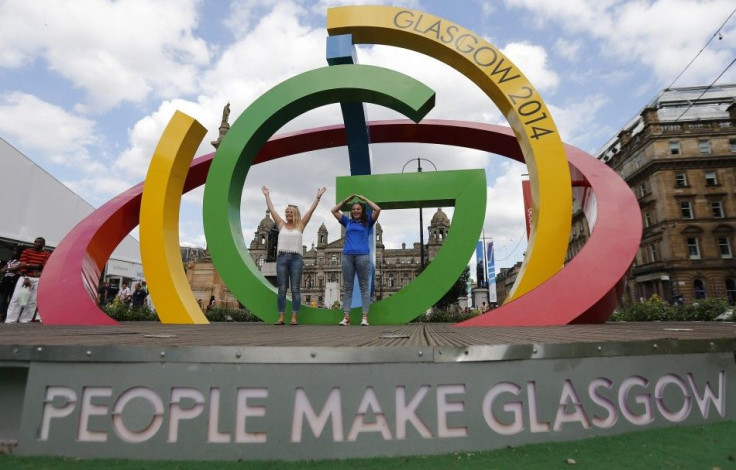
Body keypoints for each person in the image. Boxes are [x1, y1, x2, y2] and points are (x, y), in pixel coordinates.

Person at [262, 185, 326, 325]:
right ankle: (280, 318)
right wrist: (267, 195)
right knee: (282, 290)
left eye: (290, 212)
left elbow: (311, 210)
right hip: (282, 259)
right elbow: (272, 209)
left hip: (297, 259)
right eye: (286, 212)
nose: (288, 215)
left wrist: (318, 197)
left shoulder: (301, 225)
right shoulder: (280, 224)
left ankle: (294, 318)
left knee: (296, 289)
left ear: (295, 214)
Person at [331, 194, 381, 326]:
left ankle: (365, 317)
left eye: (358, 209)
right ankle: (346, 317)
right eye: (353, 209)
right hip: (347, 256)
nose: (355, 211)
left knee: (364, 287)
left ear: (362, 210)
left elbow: (378, 209)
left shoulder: (368, 222)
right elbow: (333, 211)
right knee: (347, 288)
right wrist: (345, 201)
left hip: (363, 256)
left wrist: (365, 199)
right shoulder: (347, 222)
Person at [5, 237, 51, 323]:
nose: (36, 244)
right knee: (17, 298)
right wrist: (26, 276)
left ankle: (25, 321)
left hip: (37, 279)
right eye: (35, 242)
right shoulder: (26, 252)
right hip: (25, 278)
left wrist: (28, 265)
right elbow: (22, 265)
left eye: (39, 242)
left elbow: (44, 266)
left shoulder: (46, 254)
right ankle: (10, 321)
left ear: (43, 244)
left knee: (32, 301)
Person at [0, 246, 23, 320]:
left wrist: (6, 270)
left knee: (11, 298)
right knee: (3, 298)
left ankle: (7, 314)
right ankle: (3, 313)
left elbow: (14, 269)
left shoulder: (20, 261)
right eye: (13, 251)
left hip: (13, 280)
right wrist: (7, 269)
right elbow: (2, 269)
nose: (14, 252)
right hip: (6, 280)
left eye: (15, 251)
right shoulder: (10, 261)